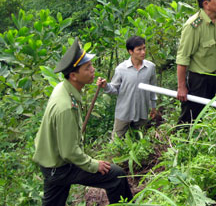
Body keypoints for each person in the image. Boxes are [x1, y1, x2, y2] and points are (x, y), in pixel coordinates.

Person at [33, 37, 133, 206]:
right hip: (61, 167)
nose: (93, 70)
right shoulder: (66, 106)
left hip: (52, 163)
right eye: (88, 68)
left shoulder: (64, 88)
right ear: (73, 75)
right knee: (116, 176)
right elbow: (69, 152)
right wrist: (93, 165)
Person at [97, 36, 158, 139]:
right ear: (130, 51)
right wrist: (106, 86)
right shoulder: (121, 69)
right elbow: (115, 89)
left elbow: (153, 88)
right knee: (116, 141)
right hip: (124, 113)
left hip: (141, 112)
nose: (143, 52)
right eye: (139, 49)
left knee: (139, 141)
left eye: (144, 48)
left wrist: (153, 106)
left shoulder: (150, 67)